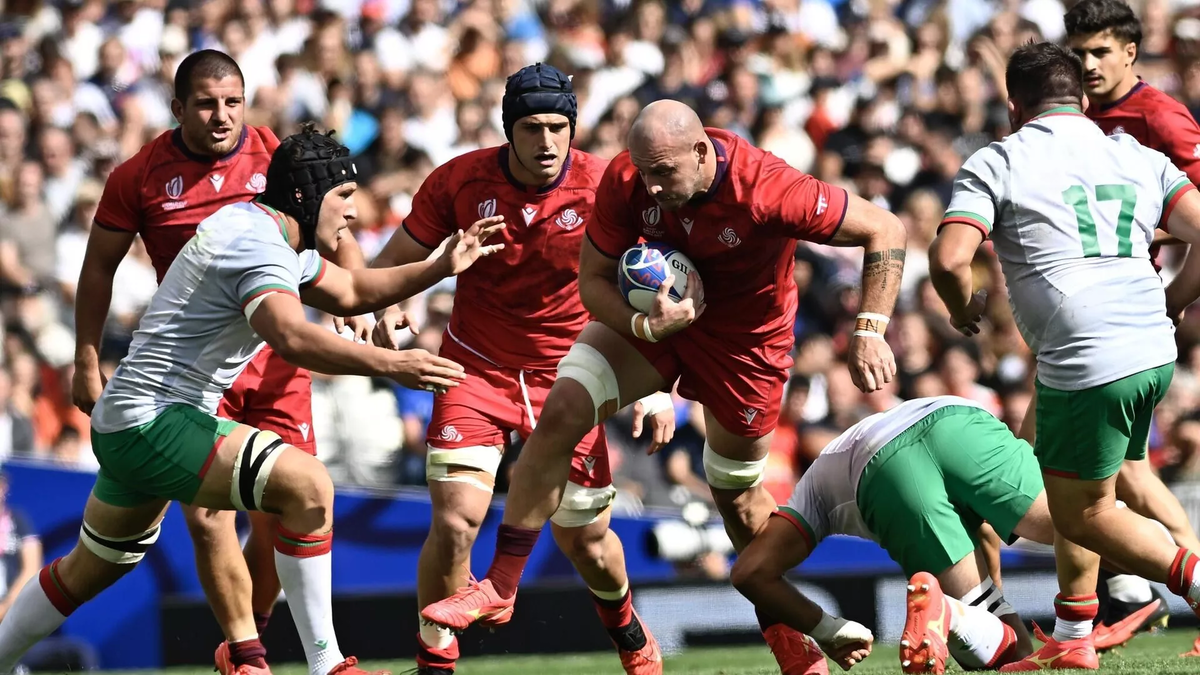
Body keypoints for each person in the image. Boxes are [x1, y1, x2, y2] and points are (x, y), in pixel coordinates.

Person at [422, 98, 908, 675]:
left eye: (663, 172)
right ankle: (502, 584)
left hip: (744, 348)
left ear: (702, 153)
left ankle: (794, 636)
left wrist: (870, 329)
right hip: (656, 325)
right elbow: (593, 281)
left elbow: (885, 227)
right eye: (644, 170)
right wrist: (643, 324)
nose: (649, 187)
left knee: (738, 500)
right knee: (564, 410)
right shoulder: (627, 178)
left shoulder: (769, 187)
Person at [0, 126, 502, 675]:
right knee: (309, 487)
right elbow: (290, 337)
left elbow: (355, 291)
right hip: (156, 419)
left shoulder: (266, 231)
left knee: (88, 569)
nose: (353, 215)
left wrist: (439, 267)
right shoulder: (257, 245)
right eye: (345, 198)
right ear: (309, 196)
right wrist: (391, 364)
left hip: (135, 419)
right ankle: (326, 665)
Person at [69, 50, 369, 674]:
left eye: (232, 102)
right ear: (178, 108)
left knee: (281, 521)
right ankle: (249, 652)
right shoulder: (141, 175)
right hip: (198, 373)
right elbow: (98, 267)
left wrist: (360, 300)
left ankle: (249, 634)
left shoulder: (273, 154)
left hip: (277, 361)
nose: (222, 116)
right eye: (206, 104)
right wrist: (86, 359)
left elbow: (333, 224)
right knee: (209, 517)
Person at [371, 63, 668, 675]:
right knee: (455, 524)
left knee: (587, 542)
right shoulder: (458, 182)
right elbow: (392, 262)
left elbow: (648, 284)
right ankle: (435, 665)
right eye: (532, 127)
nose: (547, 142)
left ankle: (631, 636)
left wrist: (654, 386)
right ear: (509, 128)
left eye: (559, 127)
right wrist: (387, 311)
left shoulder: (606, 187)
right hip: (474, 370)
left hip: (571, 377)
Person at [929, 41, 1200, 671]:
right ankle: (1075, 633)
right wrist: (1174, 301)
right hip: (1147, 350)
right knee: (1066, 482)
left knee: (1085, 511)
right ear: (1081, 95)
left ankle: (1188, 578)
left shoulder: (997, 160)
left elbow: (948, 259)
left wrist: (962, 305)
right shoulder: (1135, 153)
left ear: (1013, 104)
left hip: (1090, 356)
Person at [1059, 0, 1200, 652]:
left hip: (1119, 323)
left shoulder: (1159, 118)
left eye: (1099, 52)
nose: (1087, 64)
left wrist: (1174, 298)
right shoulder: (1073, 115)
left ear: (1130, 53)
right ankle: (1110, 603)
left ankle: (1084, 620)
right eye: (1079, 52)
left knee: (1061, 473)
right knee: (1129, 474)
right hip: (1093, 318)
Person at [733, 396, 1057, 673]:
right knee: (1081, 521)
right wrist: (994, 602)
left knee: (1008, 652)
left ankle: (951, 613)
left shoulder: (812, 489)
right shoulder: (820, 480)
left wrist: (829, 630)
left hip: (886, 466)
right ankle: (1095, 615)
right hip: (958, 416)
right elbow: (983, 526)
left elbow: (751, 573)